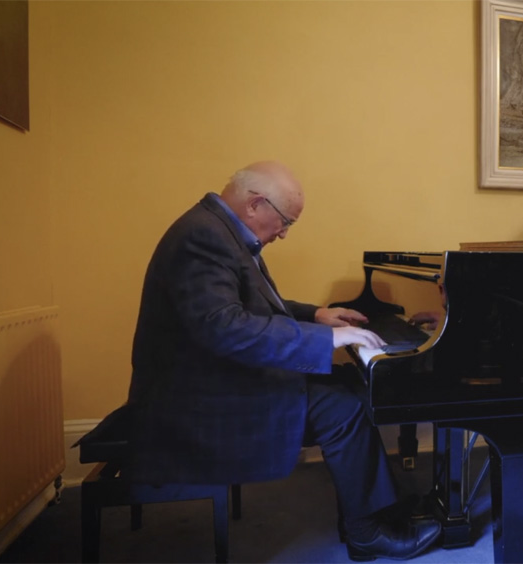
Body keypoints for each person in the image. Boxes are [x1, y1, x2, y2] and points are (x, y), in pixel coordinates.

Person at [126, 161, 440, 561]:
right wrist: (326, 338)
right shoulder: (202, 237)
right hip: (195, 402)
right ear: (256, 204)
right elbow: (224, 326)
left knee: (349, 385)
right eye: (285, 221)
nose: (285, 233)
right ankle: (366, 532)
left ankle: (375, 509)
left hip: (213, 380)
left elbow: (252, 306)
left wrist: (316, 315)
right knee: (340, 407)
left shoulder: (220, 230)